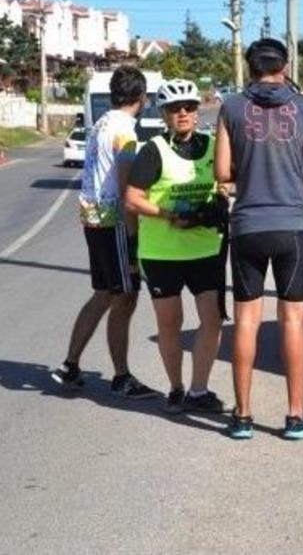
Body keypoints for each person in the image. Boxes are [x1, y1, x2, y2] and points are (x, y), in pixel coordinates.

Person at [215, 38, 303, 440]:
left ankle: (243, 417)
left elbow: (223, 171)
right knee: (293, 320)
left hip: (247, 225)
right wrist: (295, 184)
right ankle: (296, 416)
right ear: (285, 65)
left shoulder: (230, 107)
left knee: (247, 320)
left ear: (250, 67)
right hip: (291, 227)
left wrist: (249, 178)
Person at [51, 65, 157, 398]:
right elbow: (127, 187)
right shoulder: (126, 131)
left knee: (104, 295)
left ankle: (70, 364)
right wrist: (134, 234)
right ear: (141, 98)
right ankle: (122, 376)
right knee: (125, 297)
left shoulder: (100, 124)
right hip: (114, 222)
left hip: (93, 219)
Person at [124, 79, 227, 415]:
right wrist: (169, 214)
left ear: (198, 111)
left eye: (189, 107)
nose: (182, 113)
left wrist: (224, 196)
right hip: (162, 252)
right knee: (170, 323)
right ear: (164, 114)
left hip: (205, 248)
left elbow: (231, 179)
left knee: (211, 320)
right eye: (174, 109)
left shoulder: (215, 145)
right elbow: (132, 198)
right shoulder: (153, 149)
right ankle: (177, 388)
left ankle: (199, 389)